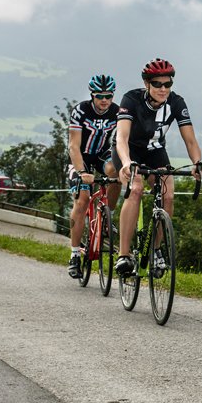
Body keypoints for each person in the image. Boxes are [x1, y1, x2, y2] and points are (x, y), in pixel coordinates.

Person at [113, 58, 202, 275]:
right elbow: (122, 137)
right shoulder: (132, 99)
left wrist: (197, 163)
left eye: (168, 84)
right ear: (147, 84)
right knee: (135, 189)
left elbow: (190, 140)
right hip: (129, 149)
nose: (163, 89)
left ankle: (155, 250)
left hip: (155, 151)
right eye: (157, 84)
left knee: (168, 195)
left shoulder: (176, 102)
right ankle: (124, 255)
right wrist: (127, 163)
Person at [66, 74, 121, 278]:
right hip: (80, 157)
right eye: (100, 96)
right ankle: (74, 255)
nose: (104, 100)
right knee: (82, 200)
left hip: (102, 155)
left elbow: (124, 140)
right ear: (92, 95)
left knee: (116, 172)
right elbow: (73, 145)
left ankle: (109, 215)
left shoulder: (117, 112)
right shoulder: (81, 110)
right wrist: (82, 172)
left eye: (108, 96)